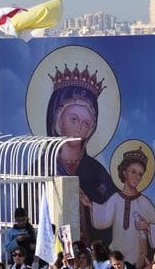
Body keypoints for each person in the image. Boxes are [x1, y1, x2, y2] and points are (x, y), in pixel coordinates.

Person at [46, 66, 116, 244]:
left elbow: (111, 216)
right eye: (73, 119)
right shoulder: (39, 169)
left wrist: (91, 207)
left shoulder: (98, 173)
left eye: (86, 123)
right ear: (58, 120)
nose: (79, 128)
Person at [81, 149, 155, 266]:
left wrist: (148, 227)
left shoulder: (145, 203)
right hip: (117, 254)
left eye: (140, 174)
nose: (137, 177)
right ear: (124, 172)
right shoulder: (115, 199)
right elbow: (103, 220)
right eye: (133, 172)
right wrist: (90, 205)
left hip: (137, 256)